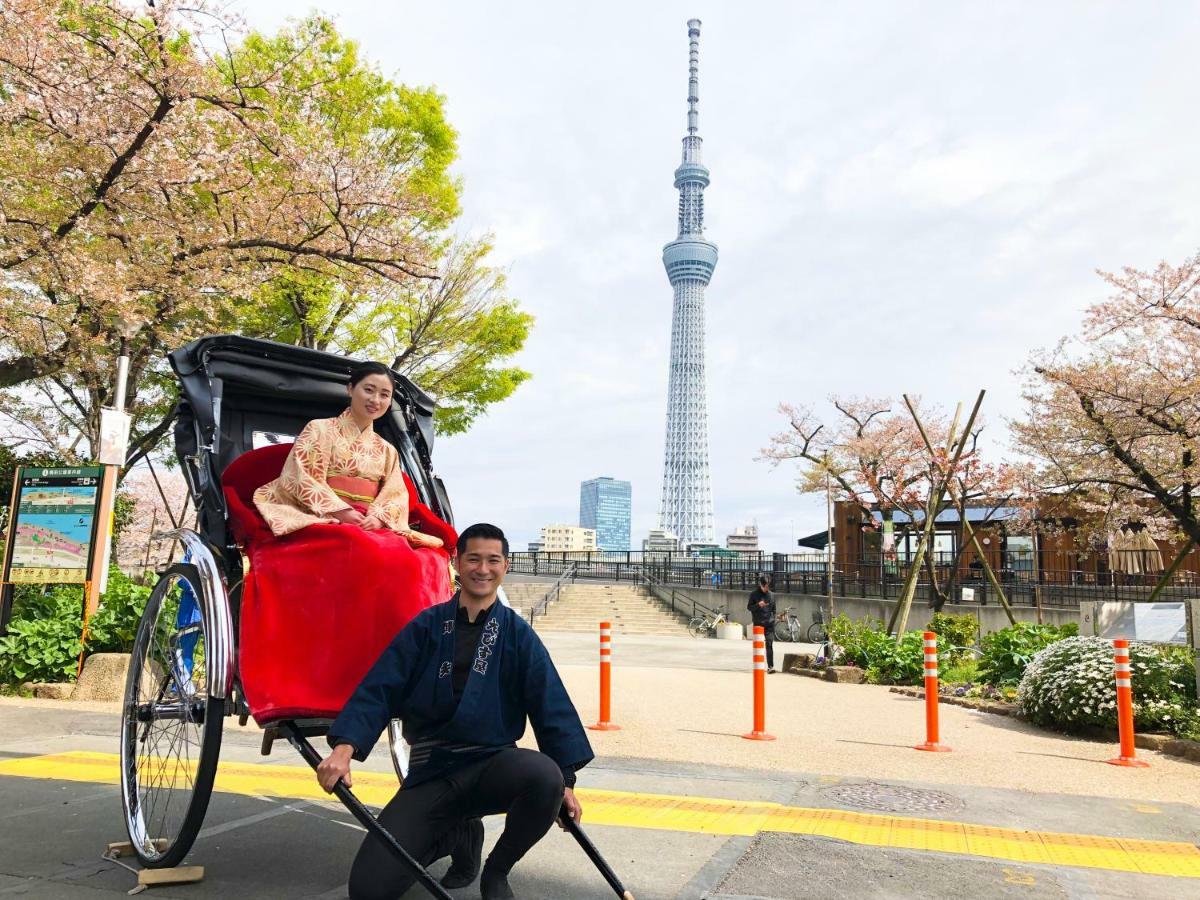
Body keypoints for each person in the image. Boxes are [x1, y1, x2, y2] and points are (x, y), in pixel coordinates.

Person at [316, 523, 594, 900]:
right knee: (369, 890)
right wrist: (344, 749)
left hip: (494, 766)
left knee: (545, 777)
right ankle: (456, 834)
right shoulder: (426, 627)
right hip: (433, 772)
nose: (483, 569)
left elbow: (550, 703)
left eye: (493, 560)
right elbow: (380, 688)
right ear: (456, 564)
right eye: (473, 559)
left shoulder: (517, 634)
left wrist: (566, 784)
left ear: (505, 566)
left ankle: (497, 871)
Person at [253, 360, 446, 549]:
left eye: (384, 395)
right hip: (325, 517)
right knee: (358, 547)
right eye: (369, 390)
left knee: (408, 557)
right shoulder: (319, 429)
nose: (375, 400)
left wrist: (378, 518)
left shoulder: (387, 449)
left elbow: (395, 494)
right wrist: (341, 511)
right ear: (351, 389)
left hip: (368, 522)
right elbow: (301, 476)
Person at [747, 574, 776, 673]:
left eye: (768, 586)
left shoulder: (772, 595)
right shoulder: (754, 594)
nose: (767, 589)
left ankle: (770, 666)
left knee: (769, 644)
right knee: (758, 646)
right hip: (758, 623)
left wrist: (775, 618)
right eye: (765, 587)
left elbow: (774, 610)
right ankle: (758, 666)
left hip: (769, 624)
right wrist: (758, 605)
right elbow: (749, 607)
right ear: (761, 585)